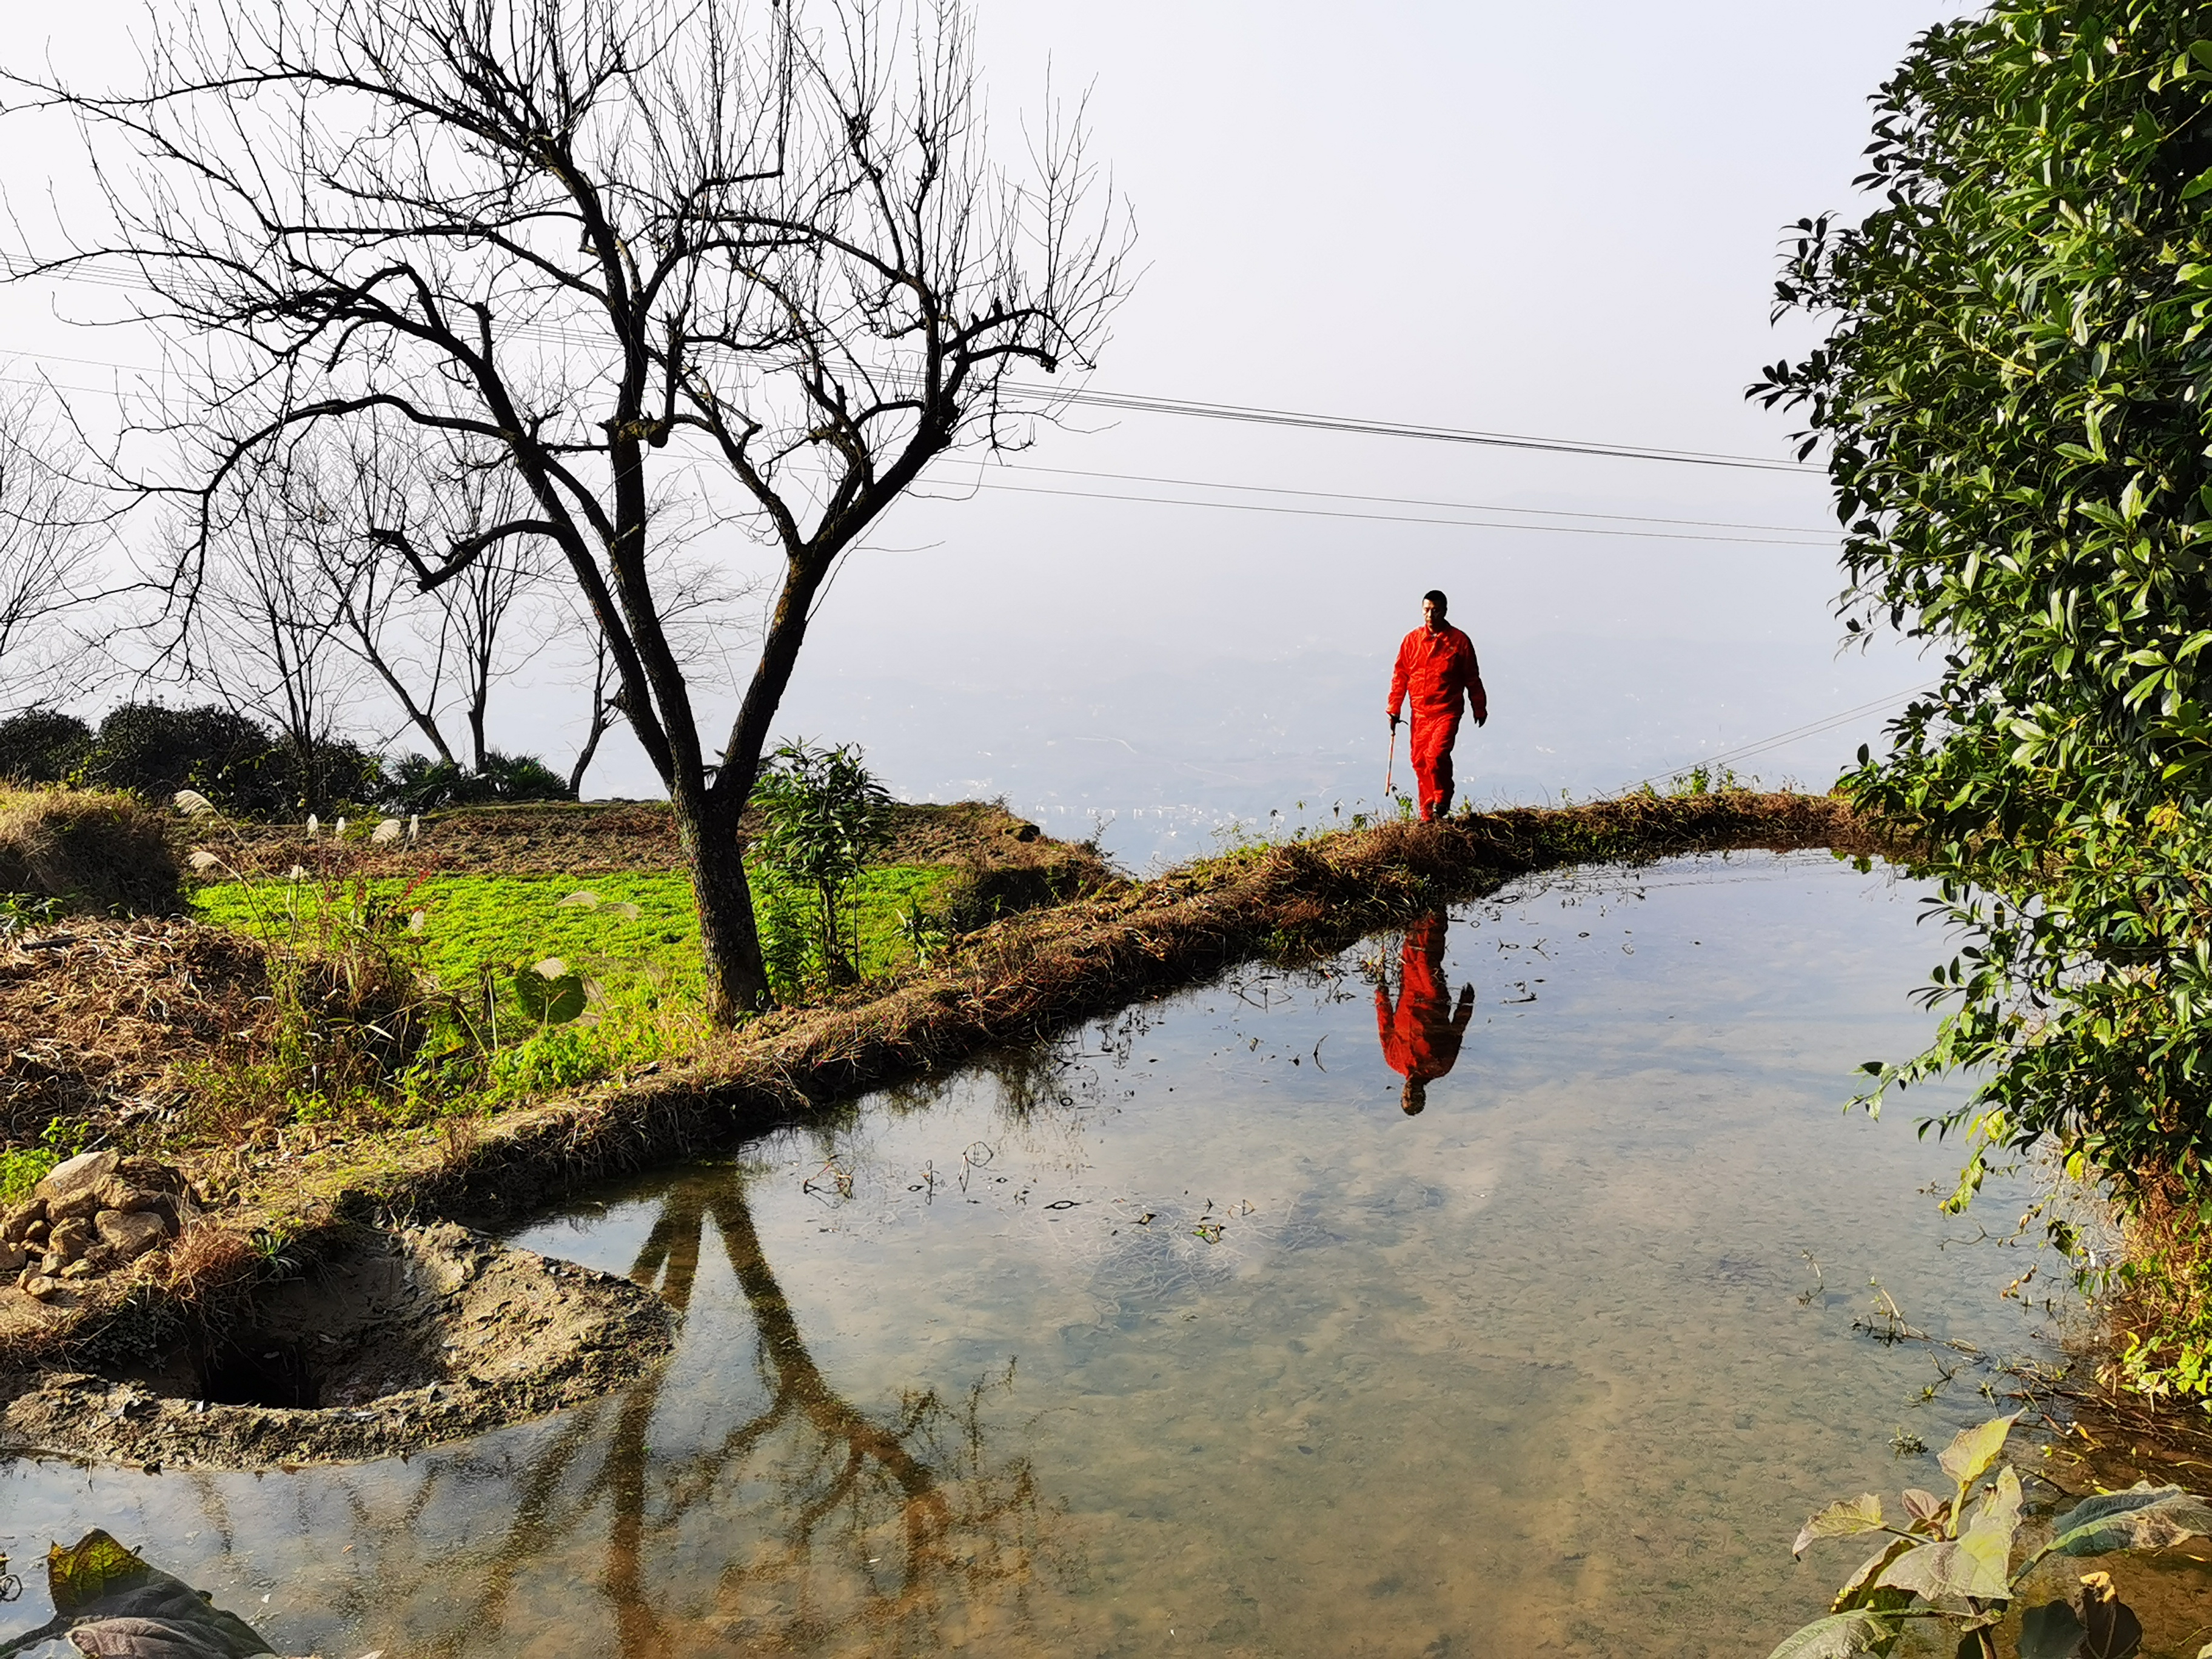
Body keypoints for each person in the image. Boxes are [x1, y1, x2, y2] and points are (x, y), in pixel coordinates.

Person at [1387, 589, 1486, 822]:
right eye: (1426, 610)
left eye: (1435, 610)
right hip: (1420, 713)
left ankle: (1443, 797)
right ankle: (1427, 816)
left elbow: (1472, 678)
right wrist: (1394, 707)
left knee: (1437, 755)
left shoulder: (1459, 641)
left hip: (1447, 711)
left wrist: (1479, 707)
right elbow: (1400, 675)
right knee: (1420, 763)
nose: (1430, 615)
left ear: (1445, 611)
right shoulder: (1412, 641)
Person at [1375, 913, 1476, 1114]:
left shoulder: (1394, 1061)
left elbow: (1385, 1025)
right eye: (1417, 1098)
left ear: (1402, 1094)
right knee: (1426, 957)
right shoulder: (1440, 1067)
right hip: (1432, 997)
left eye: (1407, 1097)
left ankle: (1416, 909)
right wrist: (1466, 1004)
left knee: (1410, 951)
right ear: (1424, 1096)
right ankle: (1436, 910)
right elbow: (1456, 1032)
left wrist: (1381, 990)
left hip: (1407, 991)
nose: (1412, 1094)